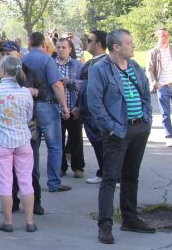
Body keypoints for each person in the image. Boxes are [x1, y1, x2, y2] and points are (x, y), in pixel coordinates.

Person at [88, 29, 155, 244]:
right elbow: (95, 104)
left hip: (139, 129)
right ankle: (105, 225)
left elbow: (145, 94)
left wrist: (146, 120)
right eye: (128, 42)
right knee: (109, 178)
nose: (133, 45)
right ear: (116, 47)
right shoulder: (100, 69)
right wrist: (113, 128)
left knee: (131, 176)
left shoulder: (134, 66)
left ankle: (130, 218)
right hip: (117, 132)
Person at [21, 31, 71, 193]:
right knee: (55, 146)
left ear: (29, 44)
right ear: (43, 44)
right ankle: (54, 182)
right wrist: (64, 106)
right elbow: (56, 84)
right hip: (47, 105)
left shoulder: (23, 60)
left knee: (32, 146)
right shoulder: (47, 60)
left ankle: (31, 183)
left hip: (28, 108)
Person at [0, 56, 37, 233]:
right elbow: (29, 117)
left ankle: (8, 221)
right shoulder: (26, 92)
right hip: (23, 140)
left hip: (2, 141)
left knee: (5, 183)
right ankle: (29, 221)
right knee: (26, 181)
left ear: (2, 71)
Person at [77, 30, 109, 183]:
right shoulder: (89, 63)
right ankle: (103, 171)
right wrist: (78, 106)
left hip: (99, 113)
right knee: (97, 144)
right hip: (87, 112)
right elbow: (83, 87)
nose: (86, 43)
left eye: (89, 40)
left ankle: (112, 175)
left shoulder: (107, 63)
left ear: (99, 43)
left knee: (104, 144)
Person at [56, 38, 84, 178]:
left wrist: (70, 82)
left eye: (63, 47)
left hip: (74, 108)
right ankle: (61, 167)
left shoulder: (77, 65)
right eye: (58, 47)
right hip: (57, 110)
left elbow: (84, 84)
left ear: (70, 49)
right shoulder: (51, 64)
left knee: (76, 139)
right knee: (58, 140)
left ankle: (78, 167)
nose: (60, 50)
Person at [146, 27, 172, 147]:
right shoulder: (154, 52)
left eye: (166, 35)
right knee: (165, 113)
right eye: (162, 35)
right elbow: (149, 70)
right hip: (163, 87)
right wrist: (154, 83)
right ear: (158, 36)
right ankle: (169, 137)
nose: (165, 37)